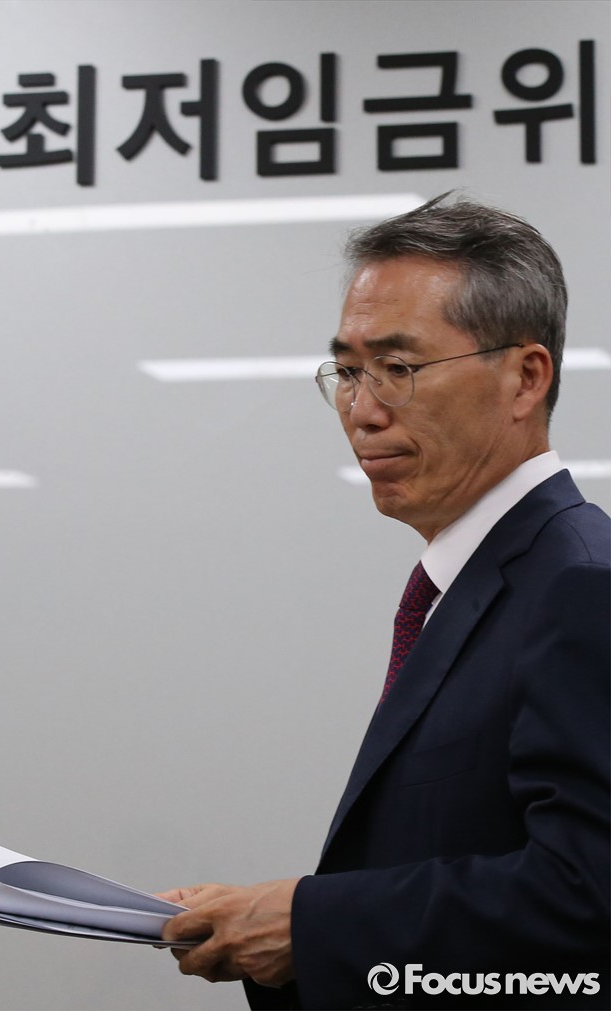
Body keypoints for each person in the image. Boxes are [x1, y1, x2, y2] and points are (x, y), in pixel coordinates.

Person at [158, 194, 610, 1010]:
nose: (362, 412)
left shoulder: (581, 584)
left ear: (525, 377)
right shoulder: (479, 583)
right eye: (348, 372)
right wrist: (281, 937)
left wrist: (308, 924)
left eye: (399, 368)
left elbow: (589, 893)